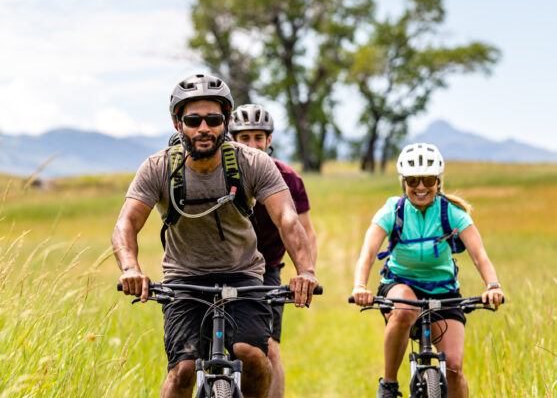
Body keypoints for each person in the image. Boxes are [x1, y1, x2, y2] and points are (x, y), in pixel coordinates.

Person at [112, 74, 318, 398]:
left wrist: (305, 271)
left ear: (225, 121)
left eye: (214, 119)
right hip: (185, 278)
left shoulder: (253, 163)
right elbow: (126, 223)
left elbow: (288, 220)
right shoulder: (158, 168)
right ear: (178, 123)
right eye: (194, 120)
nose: (204, 128)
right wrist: (130, 268)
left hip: (244, 275)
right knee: (182, 370)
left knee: (253, 355)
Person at [351, 143, 504, 398]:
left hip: (444, 291)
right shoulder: (393, 210)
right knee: (406, 310)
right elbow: (367, 253)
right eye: (413, 180)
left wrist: (493, 286)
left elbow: (480, 256)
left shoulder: (451, 213)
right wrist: (359, 286)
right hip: (400, 285)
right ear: (404, 182)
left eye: (428, 180)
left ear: (438, 182)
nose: (420, 187)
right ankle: (388, 385)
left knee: (454, 367)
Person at [229, 104, 318, 398]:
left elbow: (306, 231)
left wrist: (307, 274)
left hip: (265, 272)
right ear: (231, 140)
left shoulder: (288, 178)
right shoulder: (220, 174)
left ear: (269, 140)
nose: (253, 144)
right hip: (221, 267)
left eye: (259, 137)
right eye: (245, 138)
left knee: (269, 348)